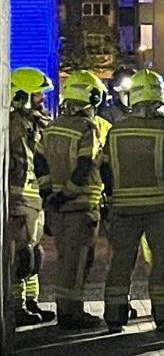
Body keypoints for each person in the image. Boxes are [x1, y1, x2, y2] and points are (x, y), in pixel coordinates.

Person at [100, 69, 164, 333]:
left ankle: (115, 314)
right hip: (160, 207)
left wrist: (112, 199)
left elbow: (105, 169)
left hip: (123, 208)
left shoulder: (116, 130)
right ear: (159, 95)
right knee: (162, 262)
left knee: (120, 262)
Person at [39, 69, 106, 329]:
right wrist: (68, 192)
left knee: (65, 259)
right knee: (79, 262)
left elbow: (40, 161)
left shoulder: (52, 126)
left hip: (56, 208)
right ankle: (71, 314)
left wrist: (50, 195)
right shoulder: (86, 128)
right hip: (80, 206)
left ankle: (65, 309)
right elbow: (85, 165)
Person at [9, 68, 56, 326]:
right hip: (18, 198)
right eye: (37, 94)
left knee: (35, 254)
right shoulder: (14, 123)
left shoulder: (35, 123)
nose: (42, 99)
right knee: (22, 255)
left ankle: (30, 301)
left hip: (33, 196)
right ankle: (17, 307)